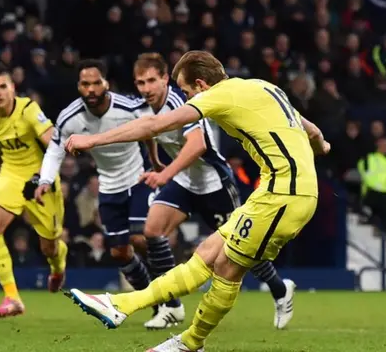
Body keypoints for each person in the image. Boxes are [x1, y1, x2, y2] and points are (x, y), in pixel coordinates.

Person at [63, 51, 330, 352]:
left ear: (202, 85)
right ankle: (121, 304)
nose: (187, 97)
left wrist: (92, 140)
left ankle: (190, 343)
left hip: (285, 194)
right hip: (278, 191)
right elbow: (315, 132)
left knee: (227, 266)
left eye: (188, 92)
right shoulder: (263, 86)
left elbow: (153, 126)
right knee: (208, 252)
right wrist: (321, 147)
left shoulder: (217, 96)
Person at [132, 53, 296, 330]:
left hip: (214, 183)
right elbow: (148, 132)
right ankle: (172, 307)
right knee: (152, 231)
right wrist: (158, 162)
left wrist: (164, 174)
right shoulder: (143, 107)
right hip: (184, 181)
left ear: (164, 80)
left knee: (241, 248)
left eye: (151, 81)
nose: (146, 88)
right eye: (140, 82)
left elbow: (198, 145)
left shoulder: (180, 102)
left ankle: (280, 289)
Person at [34, 59, 168, 323]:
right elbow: (55, 150)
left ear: (107, 83)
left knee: (141, 238)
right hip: (108, 186)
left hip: (138, 179)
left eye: (97, 83)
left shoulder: (130, 107)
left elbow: (153, 128)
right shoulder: (69, 117)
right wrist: (45, 180)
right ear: (79, 86)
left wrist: (156, 162)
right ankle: (155, 303)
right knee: (119, 252)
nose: (92, 89)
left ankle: (171, 300)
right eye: (86, 84)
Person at [0, 63, 66, 318]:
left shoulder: (28, 110)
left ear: (12, 88)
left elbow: (54, 142)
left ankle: (58, 264)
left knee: (49, 246)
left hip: (41, 177)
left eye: (2, 87)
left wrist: (42, 177)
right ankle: (12, 297)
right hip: (10, 175)